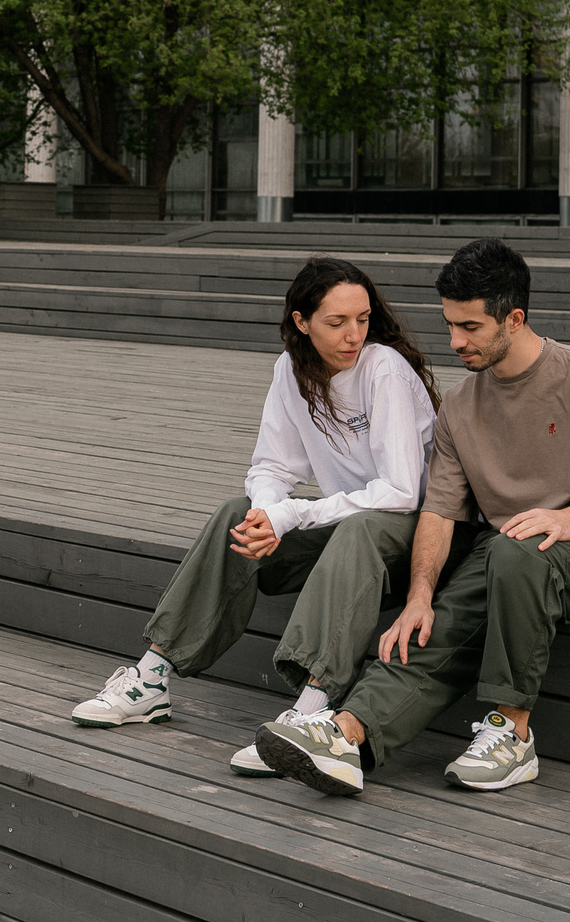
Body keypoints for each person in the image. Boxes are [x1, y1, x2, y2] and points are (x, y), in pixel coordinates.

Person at [254, 236, 570, 797]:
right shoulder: (462, 408)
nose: (454, 341)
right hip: (507, 554)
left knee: (516, 550)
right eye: (450, 324)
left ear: (513, 319)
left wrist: (569, 520)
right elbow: (440, 512)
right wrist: (420, 594)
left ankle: (512, 732)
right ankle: (347, 737)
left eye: (470, 327)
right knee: (432, 625)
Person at [70, 255, 440, 775]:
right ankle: (152, 678)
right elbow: (271, 465)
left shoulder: (384, 369)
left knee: (358, 529)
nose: (353, 334)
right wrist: (267, 518)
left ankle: (310, 713)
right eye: (336, 322)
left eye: (362, 319)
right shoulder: (292, 371)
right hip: (342, 533)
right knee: (234, 515)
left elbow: (402, 492)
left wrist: (293, 516)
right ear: (301, 321)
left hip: (410, 540)